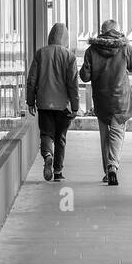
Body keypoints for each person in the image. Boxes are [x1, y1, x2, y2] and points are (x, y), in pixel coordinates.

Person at [80, 18, 132, 186]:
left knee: (105, 135)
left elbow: (84, 76)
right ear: (117, 31)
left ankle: (107, 170)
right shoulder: (125, 47)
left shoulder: (91, 50)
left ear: (102, 31)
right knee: (117, 133)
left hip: (101, 99)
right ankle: (112, 166)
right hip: (121, 100)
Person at [26, 22, 79, 181]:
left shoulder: (40, 53)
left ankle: (47, 154)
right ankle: (57, 172)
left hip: (44, 103)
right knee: (60, 138)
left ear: (50, 36)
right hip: (63, 105)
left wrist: (30, 101)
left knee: (46, 134)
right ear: (65, 38)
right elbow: (73, 84)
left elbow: (32, 80)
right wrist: (75, 106)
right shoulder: (69, 56)